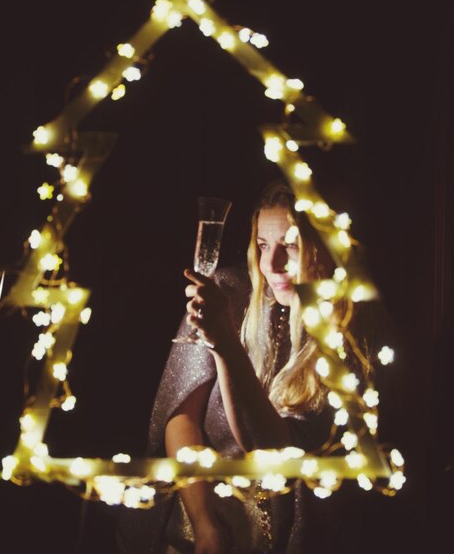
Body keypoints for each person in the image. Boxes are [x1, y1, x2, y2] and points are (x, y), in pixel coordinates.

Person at [117, 180, 366, 554]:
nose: (272, 263)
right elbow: (180, 418)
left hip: (293, 535)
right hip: (200, 513)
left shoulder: (348, 339)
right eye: (264, 246)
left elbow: (271, 450)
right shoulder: (227, 294)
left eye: (291, 245)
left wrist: (225, 345)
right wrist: (205, 527)